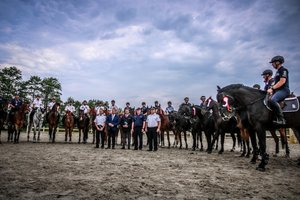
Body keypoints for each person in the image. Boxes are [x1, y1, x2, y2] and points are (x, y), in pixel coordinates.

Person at [267, 55, 290, 125]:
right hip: (277, 91)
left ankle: (281, 119)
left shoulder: (283, 70)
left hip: (284, 90)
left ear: (277, 62)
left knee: (272, 100)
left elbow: (282, 81)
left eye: (273, 63)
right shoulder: (277, 72)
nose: (272, 64)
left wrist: (272, 88)